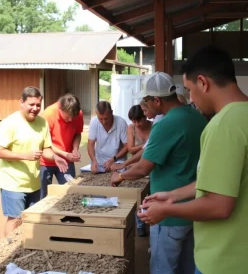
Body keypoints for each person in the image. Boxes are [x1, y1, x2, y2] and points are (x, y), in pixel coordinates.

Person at [140, 46, 248, 274]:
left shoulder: (223, 126)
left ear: (203, 82)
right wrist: (172, 196)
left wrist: (167, 210)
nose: (190, 98)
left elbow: (220, 205)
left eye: (189, 90)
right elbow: (221, 184)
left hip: (222, 260)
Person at [111, 72, 207, 274]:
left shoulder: (165, 125)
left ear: (157, 100)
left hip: (168, 214)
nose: (144, 106)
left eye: (146, 101)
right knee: (187, 266)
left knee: (163, 268)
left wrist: (120, 176)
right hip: (194, 208)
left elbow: (144, 167)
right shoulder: (199, 117)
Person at [0, 86, 68, 236]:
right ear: (21, 102)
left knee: (30, 221)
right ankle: (9, 253)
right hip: (13, 183)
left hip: (33, 183)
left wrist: (55, 157)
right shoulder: (9, 123)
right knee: (15, 220)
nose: (35, 108)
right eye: (31, 104)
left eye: (38, 105)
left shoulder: (42, 123)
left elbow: (46, 149)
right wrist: (25, 155)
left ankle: (23, 253)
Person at [40, 94, 84, 198]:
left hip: (66, 161)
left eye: (73, 117)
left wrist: (75, 149)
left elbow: (77, 133)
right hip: (46, 161)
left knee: (70, 193)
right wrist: (65, 154)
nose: (70, 120)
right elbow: (46, 143)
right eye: (68, 116)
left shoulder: (78, 114)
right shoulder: (48, 114)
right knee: (42, 197)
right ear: (60, 107)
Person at [88, 101, 128, 173]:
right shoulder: (94, 122)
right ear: (96, 114)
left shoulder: (121, 123)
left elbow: (127, 146)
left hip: (118, 162)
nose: (104, 122)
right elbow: (90, 144)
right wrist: (93, 161)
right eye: (100, 119)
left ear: (111, 112)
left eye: (106, 118)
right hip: (99, 163)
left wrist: (113, 159)